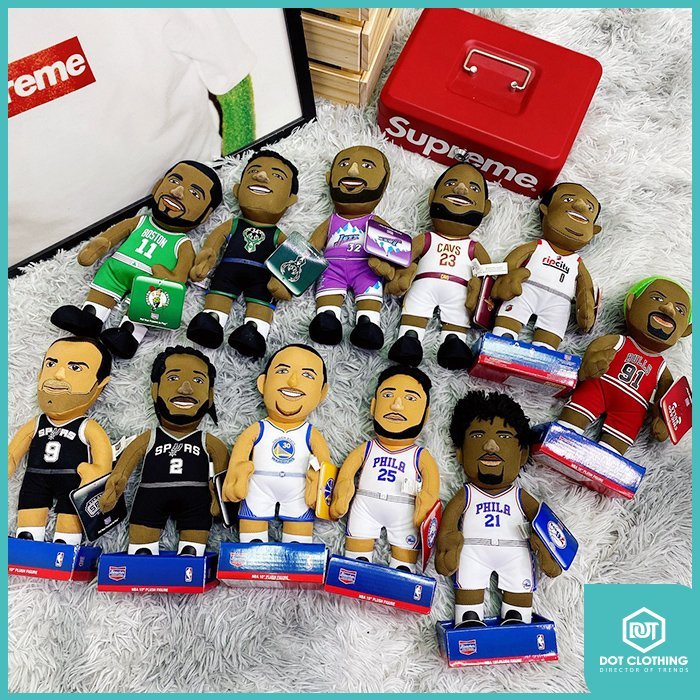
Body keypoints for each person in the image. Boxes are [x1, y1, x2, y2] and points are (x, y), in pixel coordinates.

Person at [51, 161, 223, 358]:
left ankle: (128, 335)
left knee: (148, 306)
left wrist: (170, 279)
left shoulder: (182, 243)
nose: (177, 192)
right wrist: (96, 247)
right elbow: (111, 236)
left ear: (205, 214)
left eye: (194, 193)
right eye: (174, 181)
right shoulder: (140, 221)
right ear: (158, 186)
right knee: (103, 288)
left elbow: (180, 276)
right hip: (115, 272)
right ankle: (90, 317)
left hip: (151, 284)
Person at [436, 390, 562, 627]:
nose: (491, 445)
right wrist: (447, 543)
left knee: (519, 595)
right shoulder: (467, 494)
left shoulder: (520, 497)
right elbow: (448, 525)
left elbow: (546, 525)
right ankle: (468, 619)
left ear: (522, 454)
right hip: (473, 550)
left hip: (515, 552)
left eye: (504, 436)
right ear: (460, 453)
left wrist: (548, 550)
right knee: (468, 594)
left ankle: (517, 620)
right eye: (478, 435)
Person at [99, 346, 228, 556]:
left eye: (198, 380)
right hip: (151, 495)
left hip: (196, 499)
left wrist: (219, 498)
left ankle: (191, 556)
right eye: (173, 378)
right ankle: (141, 555)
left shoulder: (208, 441)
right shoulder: (149, 437)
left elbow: (222, 474)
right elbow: (124, 467)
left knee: (193, 552)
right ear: (155, 389)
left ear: (210, 395)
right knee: (141, 551)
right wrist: (115, 485)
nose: (185, 388)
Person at [558, 276, 691, 454]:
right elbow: (596, 348)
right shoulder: (620, 341)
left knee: (613, 450)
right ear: (631, 302)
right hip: (599, 386)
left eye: (679, 310)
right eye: (657, 298)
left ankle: (603, 462)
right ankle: (560, 442)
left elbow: (666, 397)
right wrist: (590, 365)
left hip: (632, 409)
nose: (668, 309)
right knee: (570, 422)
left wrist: (663, 419)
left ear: (686, 331)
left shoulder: (661, 368)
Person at [187, 150, 299, 359]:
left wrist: (283, 283)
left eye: (276, 176)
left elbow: (293, 261)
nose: (261, 176)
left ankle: (254, 332)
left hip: (262, 277)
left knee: (261, 302)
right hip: (228, 270)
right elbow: (213, 244)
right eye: (254, 171)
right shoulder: (233, 224)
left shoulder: (278, 235)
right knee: (218, 294)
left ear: (290, 200)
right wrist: (205, 261)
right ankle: (212, 320)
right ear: (238, 190)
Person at [330, 365, 440, 573]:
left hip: (405, 510)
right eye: (388, 395)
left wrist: (425, 507)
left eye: (410, 398)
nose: (396, 405)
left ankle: (402, 575)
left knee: (404, 565)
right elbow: (347, 473)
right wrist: (342, 493)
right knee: (356, 558)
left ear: (425, 415)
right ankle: (356, 573)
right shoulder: (368, 447)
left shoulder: (419, 455)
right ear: (373, 407)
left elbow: (431, 486)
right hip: (365, 505)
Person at [223, 344, 332, 543]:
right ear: (263, 383)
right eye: (282, 371)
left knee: (298, 546)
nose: (292, 381)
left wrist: (319, 485)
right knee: (251, 544)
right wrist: (236, 477)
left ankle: (295, 555)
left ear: (322, 392)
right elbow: (239, 457)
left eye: (307, 375)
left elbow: (325, 466)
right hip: (258, 487)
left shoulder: (310, 434)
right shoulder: (258, 429)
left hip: (299, 491)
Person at [9, 337, 113, 545]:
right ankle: (27, 542)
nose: (58, 374)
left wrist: (97, 473)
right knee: (28, 522)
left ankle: (66, 544)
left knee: (69, 525)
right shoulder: (36, 423)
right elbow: (12, 453)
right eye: (51, 364)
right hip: (35, 478)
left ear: (100, 385)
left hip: (73, 480)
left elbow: (103, 456)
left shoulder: (87, 426)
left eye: (75, 368)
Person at [492, 182, 602, 350]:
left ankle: (543, 354)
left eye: (589, 208)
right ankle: (501, 343)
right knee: (506, 327)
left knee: (548, 342)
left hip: (559, 302)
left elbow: (585, 289)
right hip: (525, 290)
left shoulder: (576, 262)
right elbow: (511, 262)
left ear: (593, 230)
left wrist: (586, 309)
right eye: (568, 199)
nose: (580, 205)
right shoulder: (538, 246)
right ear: (546, 210)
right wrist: (505, 280)